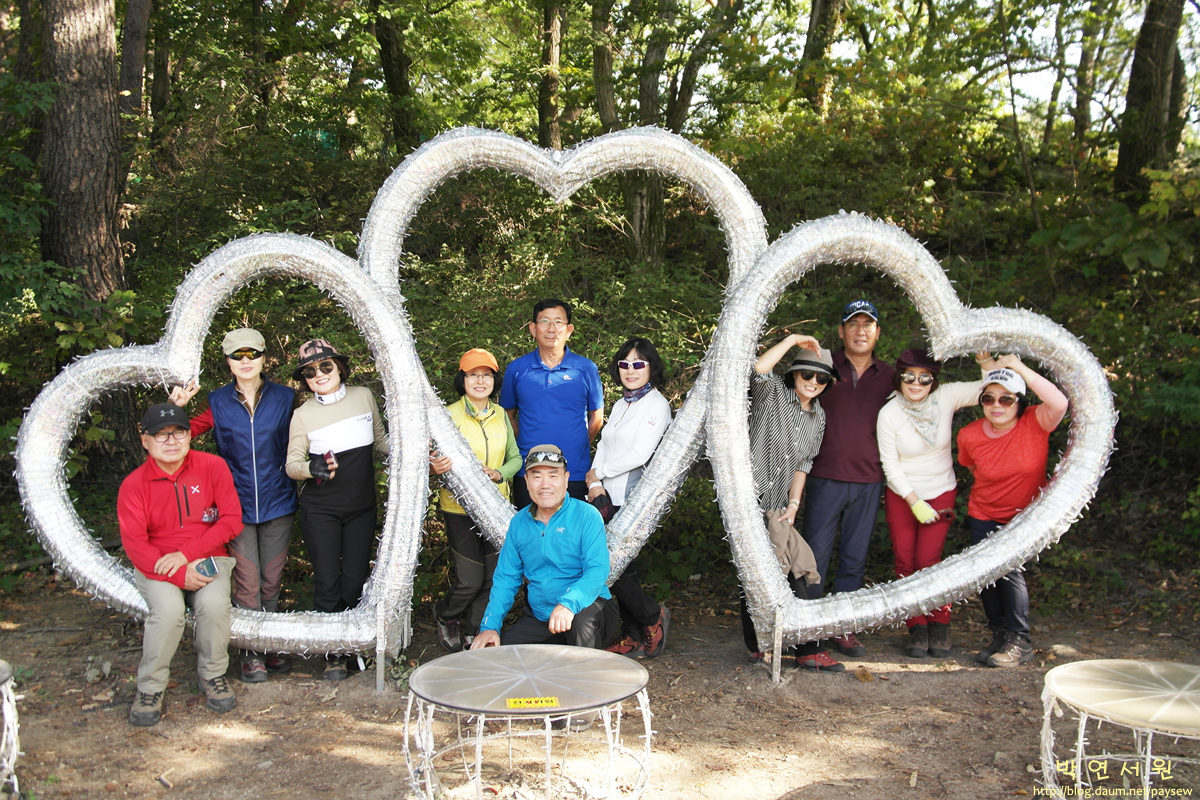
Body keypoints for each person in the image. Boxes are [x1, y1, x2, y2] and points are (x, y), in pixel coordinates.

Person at [168, 328, 297, 683]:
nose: (245, 361)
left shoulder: (286, 398)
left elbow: (308, 435)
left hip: (278, 500)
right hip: (233, 506)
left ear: (264, 357)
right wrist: (174, 408)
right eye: (237, 355)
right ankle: (251, 653)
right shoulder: (218, 402)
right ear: (227, 361)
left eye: (252, 353)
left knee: (271, 580)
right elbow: (179, 435)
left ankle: (269, 644)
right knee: (246, 583)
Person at [118, 403, 243, 726]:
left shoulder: (212, 466)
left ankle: (213, 675)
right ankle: (150, 688)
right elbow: (135, 545)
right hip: (157, 565)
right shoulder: (134, 485)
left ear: (190, 436)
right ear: (145, 440)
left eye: (179, 432)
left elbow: (231, 520)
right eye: (161, 435)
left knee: (214, 605)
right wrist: (177, 572)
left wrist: (187, 556)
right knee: (169, 612)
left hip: (209, 557)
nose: (171, 441)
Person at [876, 349, 991, 659]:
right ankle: (916, 626)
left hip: (940, 490)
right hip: (903, 494)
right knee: (905, 561)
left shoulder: (946, 397)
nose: (916, 383)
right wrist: (914, 501)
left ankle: (939, 623)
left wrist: (985, 361)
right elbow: (890, 464)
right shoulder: (889, 413)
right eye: (909, 377)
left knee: (929, 559)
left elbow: (988, 389)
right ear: (899, 378)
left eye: (924, 378)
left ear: (934, 381)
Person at [285, 339, 389, 680]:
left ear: (340, 367)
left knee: (355, 581)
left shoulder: (363, 396)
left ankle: (354, 645)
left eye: (325, 366)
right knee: (327, 581)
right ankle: (333, 654)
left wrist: (416, 447)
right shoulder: (302, 415)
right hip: (321, 511)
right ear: (304, 379)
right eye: (310, 371)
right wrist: (311, 468)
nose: (319, 374)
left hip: (361, 507)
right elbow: (291, 465)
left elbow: (381, 441)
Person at [800, 300, 895, 669]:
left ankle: (842, 627)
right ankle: (809, 630)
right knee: (814, 558)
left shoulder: (890, 376)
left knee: (855, 558)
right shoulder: (823, 366)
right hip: (824, 476)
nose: (860, 331)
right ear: (841, 331)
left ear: (877, 332)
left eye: (867, 324)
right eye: (853, 324)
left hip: (869, 479)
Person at [958, 357, 1068, 668]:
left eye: (1006, 399)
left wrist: (1019, 368)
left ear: (1019, 401)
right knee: (986, 577)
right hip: (983, 512)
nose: (997, 406)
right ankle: (1000, 635)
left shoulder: (1036, 421)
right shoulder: (969, 435)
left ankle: (1019, 641)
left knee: (1009, 572)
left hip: (1023, 517)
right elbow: (970, 466)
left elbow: (1059, 402)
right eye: (989, 399)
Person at [744, 334, 836, 668]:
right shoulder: (773, 395)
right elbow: (760, 369)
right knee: (756, 573)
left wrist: (795, 504)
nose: (813, 382)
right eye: (807, 374)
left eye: (821, 378)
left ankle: (806, 649)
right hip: (749, 502)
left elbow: (803, 464)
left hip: (779, 506)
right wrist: (794, 340)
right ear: (795, 373)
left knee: (799, 568)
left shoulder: (819, 417)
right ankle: (762, 646)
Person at [470, 445, 617, 651]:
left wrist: (569, 604)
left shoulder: (587, 516)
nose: (545, 484)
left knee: (581, 624)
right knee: (500, 653)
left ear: (566, 479)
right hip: (542, 617)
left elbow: (597, 569)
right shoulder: (519, 523)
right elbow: (506, 578)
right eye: (537, 476)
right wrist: (489, 626)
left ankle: (585, 669)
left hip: (587, 608)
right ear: (526, 481)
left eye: (553, 475)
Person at [429, 348, 523, 652]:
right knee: (470, 578)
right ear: (463, 379)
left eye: (486, 375)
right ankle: (446, 615)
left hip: (496, 509)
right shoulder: (447, 415)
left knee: (494, 577)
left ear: (495, 380)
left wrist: (499, 473)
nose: (480, 381)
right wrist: (433, 466)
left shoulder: (501, 415)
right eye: (473, 375)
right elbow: (429, 460)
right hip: (459, 509)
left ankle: (476, 628)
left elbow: (516, 458)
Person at [586, 337, 672, 658]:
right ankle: (634, 634)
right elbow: (605, 444)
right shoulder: (622, 404)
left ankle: (651, 617)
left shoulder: (657, 405)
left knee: (612, 566)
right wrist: (594, 481)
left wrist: (599, 472)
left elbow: (640, 454)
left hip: (633, 498)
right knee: (623, 568)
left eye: (638, 364)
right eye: (625, 364)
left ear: (651, 367)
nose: (630, 370)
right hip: (605, 494)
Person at [499, 298, 604, 505]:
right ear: (533, 328)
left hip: (574, 470)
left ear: (569, 330)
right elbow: (507, 415)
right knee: (530, 525)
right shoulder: (517, 369)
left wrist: (578, 445)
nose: (551, 328)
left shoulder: (586, 368)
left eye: (558, 322)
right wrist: (526, 440)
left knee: (572, 526)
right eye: (545, 321)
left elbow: (597, 417)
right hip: (529, 470)